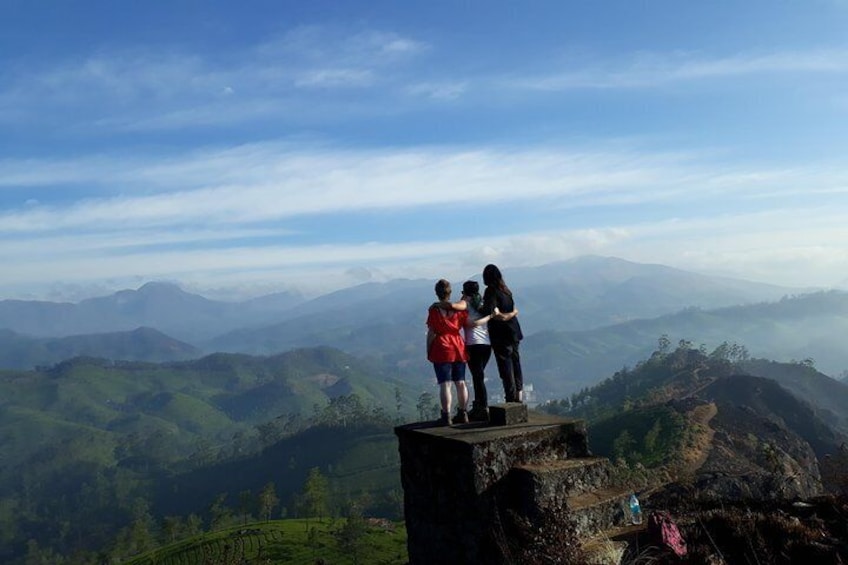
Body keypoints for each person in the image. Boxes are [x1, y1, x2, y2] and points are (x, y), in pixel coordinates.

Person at [426, 279, 470, 425]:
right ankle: (463, 413)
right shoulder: (459, 309)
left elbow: (431, 332)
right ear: (450, 292)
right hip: (458, 345)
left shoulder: (434, 310)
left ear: (436, 293)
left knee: (445, 384)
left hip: (442, 347)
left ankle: (446, 416)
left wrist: (429, 350)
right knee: (461, 382)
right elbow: (466, 323)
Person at [480, 264, 525, 403]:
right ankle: (519, 395)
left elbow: (492, 312)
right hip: (514, 331)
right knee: (516, 362)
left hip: (501, 334)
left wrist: (479, 308)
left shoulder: (491, 291)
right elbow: (511, 309)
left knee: (505, 366)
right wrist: (513, 313)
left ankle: (510, 397)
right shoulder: (506, 290)